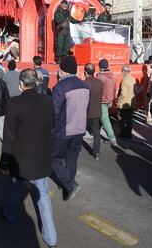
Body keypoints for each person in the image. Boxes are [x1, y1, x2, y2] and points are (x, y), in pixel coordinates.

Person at [0, 69, 57, 248]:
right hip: (41, 156)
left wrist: (5, 162)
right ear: (36, 83)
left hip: (19, 157)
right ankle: (51, 238)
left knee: (14, 189)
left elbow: (9, 136)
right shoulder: (48, 100)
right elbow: (52, 125)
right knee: (43, 196)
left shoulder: (14, 103)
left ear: (21, 83)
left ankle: (10, 214)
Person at [51, 56, 89, 201]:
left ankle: (69, 184)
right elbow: (87, 108)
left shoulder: (61, 86)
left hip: (63, 130)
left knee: (53, 157)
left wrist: (51, 130)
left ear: (64, 71)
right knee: (72, 158)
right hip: (79, 129)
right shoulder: (84, 85)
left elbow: (54, 111)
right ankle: (68, 185)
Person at [84, 63, 103, 159]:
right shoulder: (99, 82)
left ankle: (77, 149)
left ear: (85, 72)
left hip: (86, 112)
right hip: (96, 111)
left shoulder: (85, 83)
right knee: (97, 134)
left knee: (80, 132)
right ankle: (97, 153)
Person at [97, 59, 117, 145]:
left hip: (102, 101)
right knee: (103, 117)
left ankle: (111, 137)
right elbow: (114, 89)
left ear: (100, 67)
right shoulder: (113, 76)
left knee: (105, 119)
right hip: (109, 99)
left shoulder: (100, 77)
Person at [116, 65, 136, 139]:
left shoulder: (124, 80)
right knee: (129, 119)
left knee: (120, 117)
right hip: (130, 103)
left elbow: (123, 93)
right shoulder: (133, 79)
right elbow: (135, 91)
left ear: (124, 71)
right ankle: (128, 133)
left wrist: (118, 101)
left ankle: (123, 132)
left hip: (123, 103)